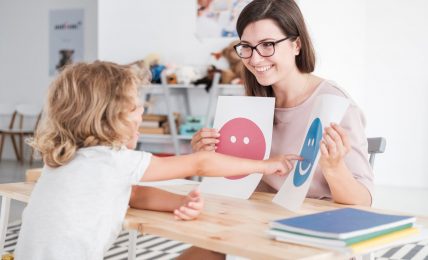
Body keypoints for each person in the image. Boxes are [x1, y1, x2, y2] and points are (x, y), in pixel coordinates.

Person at [14, 61, 300, 260]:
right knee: (213, 253)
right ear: (109, 117)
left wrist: (178, 202)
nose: (142, 110)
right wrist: (265, 165)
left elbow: (132, 194)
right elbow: (200, 163)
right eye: (135, 106)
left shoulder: (67, 161)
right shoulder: (111, 161)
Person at [185, 0, 374, 258]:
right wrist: (208, 155)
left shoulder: (336, 105)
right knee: (201, 245)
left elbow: (363, 203)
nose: (254, 58)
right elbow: (238, 182)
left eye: (267, 45)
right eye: (247, 47)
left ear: (296, 44)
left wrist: (334, 167)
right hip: (257, 222)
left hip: (316, 232)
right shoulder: (253, 103)